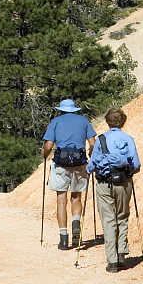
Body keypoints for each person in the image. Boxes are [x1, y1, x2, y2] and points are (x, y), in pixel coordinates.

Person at [86, 107, 140, 273]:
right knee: (122, 216)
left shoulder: (102, 139)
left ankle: (112, 261)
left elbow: (92, 164)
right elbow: (136, 165)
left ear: (107, 122)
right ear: (123, 122)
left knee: (108, 220)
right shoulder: (128, 138)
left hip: (104, 184)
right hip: (124, 183)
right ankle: (122, 254)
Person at [42, 98, 96, 250]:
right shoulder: (84, 121)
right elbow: (92, 142)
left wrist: (45, 155)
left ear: (61, 110)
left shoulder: (55, 122)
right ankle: (76, 224)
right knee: (76, 196)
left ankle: (63, 239)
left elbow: (49, 145)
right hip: (79, 163)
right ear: (74, 110)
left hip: (61, 164)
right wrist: (91, 154)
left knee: (61, 199)